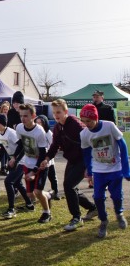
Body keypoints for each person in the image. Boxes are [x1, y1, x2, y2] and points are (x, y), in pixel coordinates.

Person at [40, 99, 97, 232]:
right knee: (71, 188)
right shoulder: (58, 127)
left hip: (82, 159)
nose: (56, 115)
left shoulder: (75, 124)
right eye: (54, 113)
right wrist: (47, 158)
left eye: (59, 112)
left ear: (65, 111)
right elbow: (55, 145)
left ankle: (76, 218)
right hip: (72, 160)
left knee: (68, 185)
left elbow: (89, 142)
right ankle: (93, 208)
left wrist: (89, 167)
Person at [79, 104, 129, 238]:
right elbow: (86, 153)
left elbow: (122, 146)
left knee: (117, 196)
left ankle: (119, 213)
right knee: (98, 197)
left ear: (96, 117)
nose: (86, 124)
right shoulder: (84, 134)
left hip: (115, 168)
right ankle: (103, 221)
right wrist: (89, 171)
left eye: (89, 121)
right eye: (83, 121)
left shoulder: (109, 126)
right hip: (99, 170)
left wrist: (126, 169)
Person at [16, 103, 53, 223]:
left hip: (41, 164)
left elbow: (43, 153)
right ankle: (47, 195)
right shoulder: (19, 127)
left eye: (26, 116)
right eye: (21, 115)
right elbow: (22, 144)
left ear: (33, 116)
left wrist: (34, 171)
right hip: (27, 162)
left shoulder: (39, 131)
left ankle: (46, 213)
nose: (23, 118)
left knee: (37, 192)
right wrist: (14, 158)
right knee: (30, 194)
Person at [0, 114, 34, 219]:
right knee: (17, 183)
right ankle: (29, 205)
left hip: (22, 160)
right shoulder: (0, 133)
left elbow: (22, 146)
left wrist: (16, 159)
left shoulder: (11, 133)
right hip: (13, 160)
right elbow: (2, 147)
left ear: (3, 123)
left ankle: (11, 209)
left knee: (8, 181)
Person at [35, 115, 60, 200]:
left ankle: (56, 192)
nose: (38, 124)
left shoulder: (48, 133)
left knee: (52, 177)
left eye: (40, 122)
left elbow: (53, 146)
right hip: (39, 158)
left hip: (48, 158)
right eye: (37, 122)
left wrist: (48, 156)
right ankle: (39, 193)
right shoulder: (36, 132)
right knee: (40, 177)